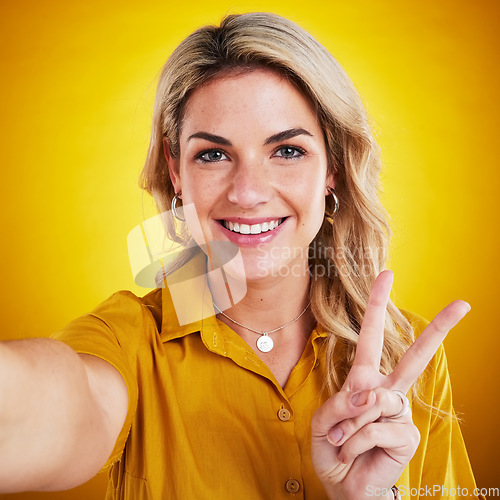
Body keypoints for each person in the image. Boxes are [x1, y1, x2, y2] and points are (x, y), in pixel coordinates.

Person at [0, 12, 482, 500]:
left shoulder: (405, 358)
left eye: (287, 151)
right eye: (213, 154)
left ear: (333, 166)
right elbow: (57, 407)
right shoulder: (129, 341)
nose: (248, 193)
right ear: (176, 171)